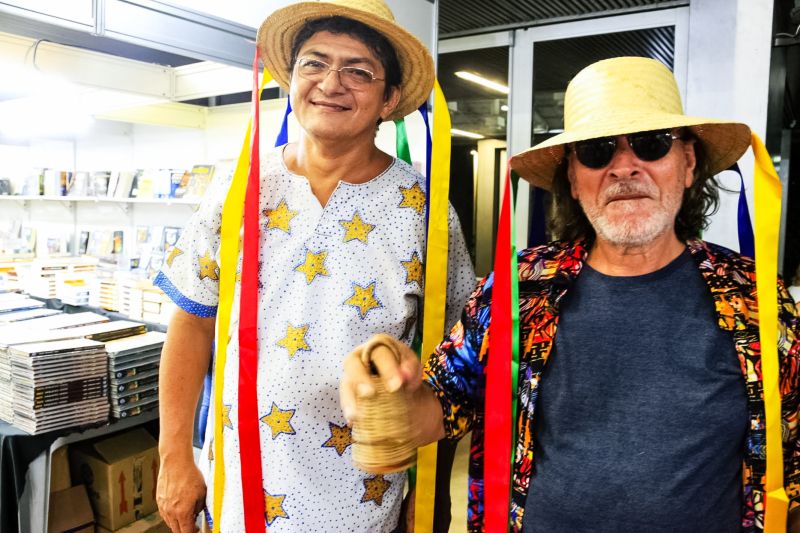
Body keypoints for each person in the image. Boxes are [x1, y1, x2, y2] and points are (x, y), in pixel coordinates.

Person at [341, 57, 800, 533]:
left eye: (651, 145)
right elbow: (441, 407)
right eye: (598, 151)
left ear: (687, 165)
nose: (625, 167)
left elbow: (794, 454)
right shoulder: (520, 290)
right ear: (574, 182)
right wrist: (387, 386)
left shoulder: (753, 295)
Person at [154, 0, 475, 531]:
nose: (331, 82)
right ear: (290, 79)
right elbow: (192, 320)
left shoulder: (425, 208)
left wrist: (431, 491)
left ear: (389, 99)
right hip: (240, 490)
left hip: (363, 503)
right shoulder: (238, 186)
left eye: (358, 70)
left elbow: (453, 361)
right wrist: (173, 458)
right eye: (314, 62)